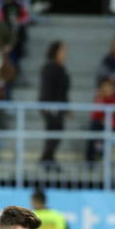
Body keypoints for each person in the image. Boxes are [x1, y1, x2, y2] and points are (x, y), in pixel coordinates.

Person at [38, 40, 70, 169]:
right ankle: (46, 159)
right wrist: (46, 105)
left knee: (57, 131)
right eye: (63, 51)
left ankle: (48, 158)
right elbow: (46, 88)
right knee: (53, 131)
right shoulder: (50, 67)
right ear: (56, 52)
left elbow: (63, 90)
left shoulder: (61, 68)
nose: (65, 53)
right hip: (51, 106)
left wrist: (67, 107)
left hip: (59, 106)